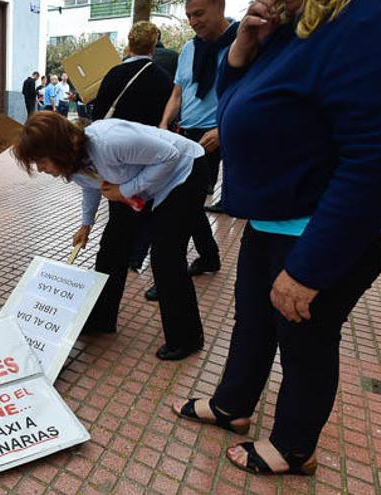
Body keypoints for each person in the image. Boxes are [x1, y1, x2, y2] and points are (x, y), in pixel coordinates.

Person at [173, 0, 381, 476]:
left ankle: (295, 448)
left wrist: (310, 267)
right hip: (277, 212)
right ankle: (233, 405)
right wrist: (241, 51)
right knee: (252, 317)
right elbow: (234, 110)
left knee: (305, 335)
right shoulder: (293, 23)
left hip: (334, 220)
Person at [14, 112, 207, 360]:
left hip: (183, 172)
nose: (41, 169)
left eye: (40, 161)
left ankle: (187, 338)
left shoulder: (109, 141)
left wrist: (125, 190)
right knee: (111, 250)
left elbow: (169, 155)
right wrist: (86, 224)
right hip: (141, 185)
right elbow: (92, 185)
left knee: (166, 257)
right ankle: (100, 319)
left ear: (58, 147)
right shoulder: (74, 160)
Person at [149, 0, 234, 301]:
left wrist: (225, 129)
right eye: (188, 16)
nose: (193, 22)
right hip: (188, 134)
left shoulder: (242, 40)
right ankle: (208, 257)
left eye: (199, 14)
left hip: (223, 133)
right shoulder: (188, 49)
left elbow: (252, 92)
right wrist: (163, 123)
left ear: (220, 6)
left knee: (181, 203)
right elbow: (177, 93)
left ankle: (169, 271)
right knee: (189, 202)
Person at [92, 21, 175, 272]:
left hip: (113, 156)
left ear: (129, 44)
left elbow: (97, 114)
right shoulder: (162, 78)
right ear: (153, 46)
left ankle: (117, 255)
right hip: (148, 156)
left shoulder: (113, 73)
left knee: (118, 209)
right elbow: (168, 119)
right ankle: (135, 256)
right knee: (144, 206)